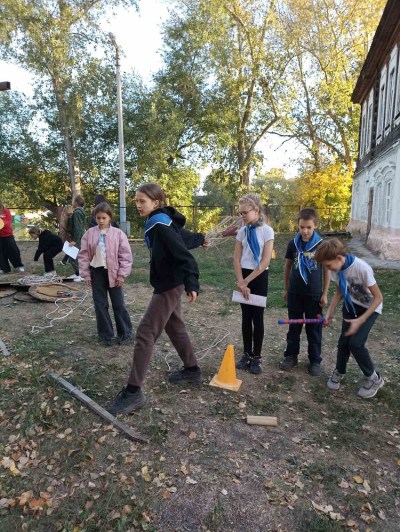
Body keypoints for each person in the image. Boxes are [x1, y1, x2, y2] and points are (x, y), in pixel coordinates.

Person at [108, 183, 201, 415]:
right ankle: (192, 371)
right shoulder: (162, 219)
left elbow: (182, 254)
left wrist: (192, 282)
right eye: (136, 201)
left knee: (145, 332)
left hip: (169, 284)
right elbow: (182, 237)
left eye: (143, 201)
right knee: (174, 326)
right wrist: (200, 238)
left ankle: (133, 392)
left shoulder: (159, 223)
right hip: (168, 281)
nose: (138, 206)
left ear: (156, 202)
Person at [315, 238, 384, 398]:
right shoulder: (334, 268)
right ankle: (339, 371)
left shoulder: (362, 268)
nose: (328, 269)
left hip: (370, 308)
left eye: (328, 265)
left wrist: (361, 320)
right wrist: (330, 313)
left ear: (339, 258)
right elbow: (340, 288)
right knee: (344, 343)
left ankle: (374, 378)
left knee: (356, 344)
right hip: (351, 305)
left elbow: (378, 298)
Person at [280, 208, 330, 376]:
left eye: (308, 227)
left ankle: (315, 360)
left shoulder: (322, 245)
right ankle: (291, 356)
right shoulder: (293, 244)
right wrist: (286, 289)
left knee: (314, 329)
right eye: (302, 227)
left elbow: (327, 270)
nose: (305, 231)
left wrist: (324, 293)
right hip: (295, 293)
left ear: (315, 225)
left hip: (314, 295)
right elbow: (287, 266)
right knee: (294, 326)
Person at [79, 202, 133, 346]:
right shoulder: (89, 234)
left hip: (114, 273)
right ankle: (105, 335)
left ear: (110, 217)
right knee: (100, 305)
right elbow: (83, 255)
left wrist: (122, 274)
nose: (101, 221)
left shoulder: (118, 234)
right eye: (98, 218)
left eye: (104, 218)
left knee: (118, 304)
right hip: (96, 273)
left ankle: (125, 333)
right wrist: (86, 274)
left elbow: (125, 256)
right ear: (95, 218)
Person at [234, 194, 274, 374]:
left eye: (245, 212)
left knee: (257, 318)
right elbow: (236, 258)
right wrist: (241, 281)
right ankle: (247, 354)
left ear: (256, 210)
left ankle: (257, 357)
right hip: (244, 276)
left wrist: (247, 281)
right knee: (246, 317)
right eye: (240, 213)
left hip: (258, 277)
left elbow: (265, 261)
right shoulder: (242, 231)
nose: (242, 216)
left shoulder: (267, 231)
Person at [0, 200, 24, 274]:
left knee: (13, 251)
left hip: (8, 235)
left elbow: (7, 222)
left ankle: (18, 266)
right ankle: (4, 268)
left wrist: (2, 224)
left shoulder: (6, 211)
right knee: (1, 253)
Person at [66, 195, 86, 281]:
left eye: (73, 201)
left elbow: (78, 227)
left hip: (77, 238)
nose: (72, 203)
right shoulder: (78, 212)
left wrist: (75, 240)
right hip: (78, 237)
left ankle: (81, 275)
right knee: (73, 256)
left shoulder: (77, 213)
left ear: (76, 202)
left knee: (74, 256)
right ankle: (77, 273)